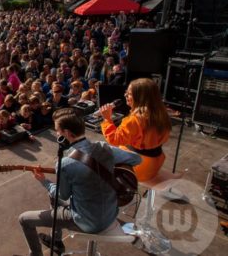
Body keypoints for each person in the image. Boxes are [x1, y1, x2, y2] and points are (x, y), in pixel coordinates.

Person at [18, 108, 141, 256]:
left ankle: (36, 254)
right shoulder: (104, 148)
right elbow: (136, 159)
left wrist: (43, 181)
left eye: (58, 131)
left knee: (24, 219)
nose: (57, 134)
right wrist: (107, 170)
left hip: (87, 221)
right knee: (53, 197)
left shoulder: (65, 164)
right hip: (110, 212)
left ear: (67, 134)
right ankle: (56, 240)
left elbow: (62, 196)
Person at [99, 78, 172, 182]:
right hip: (155, 163)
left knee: (100, 155)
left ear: (140, 98)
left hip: (138, 168)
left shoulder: (135, 120)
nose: (125, 96)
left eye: (129, 94)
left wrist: (107, 119)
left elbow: (114, 139)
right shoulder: (162, 114)